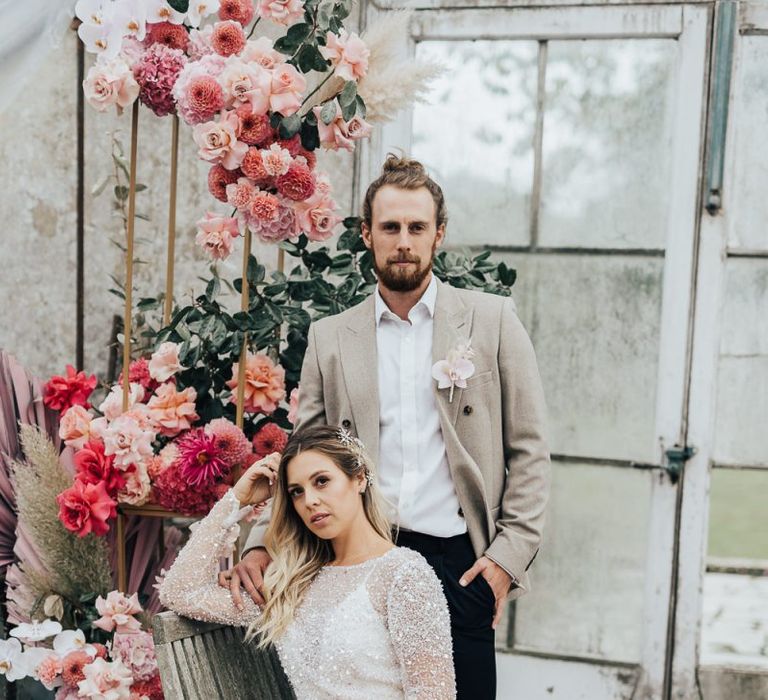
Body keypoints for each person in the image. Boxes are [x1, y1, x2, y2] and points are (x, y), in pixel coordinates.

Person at [230, 155, 551, 698]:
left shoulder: (492, 322)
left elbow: (530, 451)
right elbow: (299, 458)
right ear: (367, 235)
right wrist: (260, 543)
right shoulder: (331, 339)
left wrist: (505, 559)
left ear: (438, 234)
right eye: (390, 227)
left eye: (417, 227)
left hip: (460, 565)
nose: (404, 240)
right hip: (361, 561)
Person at [159, 424, 455, 699]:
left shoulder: (403, 575)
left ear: (360, 477)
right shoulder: (292, 582)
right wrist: (237, 499)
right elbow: (181, 592)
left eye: (322, 481)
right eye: (296, 492)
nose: (309, 500)